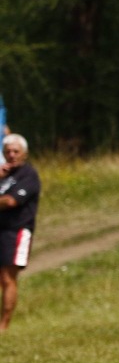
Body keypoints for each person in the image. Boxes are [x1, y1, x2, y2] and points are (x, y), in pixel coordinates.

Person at [0, 134, 41, 332]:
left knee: (8, 278)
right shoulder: (2, 174)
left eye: (16, 151)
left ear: (24, 153)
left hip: (16, 231)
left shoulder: (28, 175)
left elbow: (11, 201)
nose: (12, 155)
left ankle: (4, 325)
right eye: (8, 151)